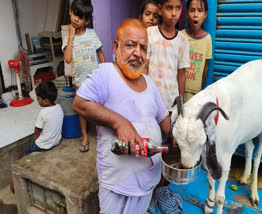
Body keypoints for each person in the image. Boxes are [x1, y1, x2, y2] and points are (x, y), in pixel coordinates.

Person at [73, 19, 171, 214]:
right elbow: (80, 103)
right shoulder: (106, 73)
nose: (137, 53)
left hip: (147, 182)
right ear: (116, 47)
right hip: (118, 186)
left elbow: (165, 122)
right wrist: (119, 122)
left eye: (143, 48)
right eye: (131, 45)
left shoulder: (150, 84)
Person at [63, 0, 106, 152]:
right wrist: (70, 38)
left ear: (86, 20)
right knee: (81, 110)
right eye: (75, 14)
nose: (76, 19)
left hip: (95, 79)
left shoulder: (91, 34)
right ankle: (85, 136)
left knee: (98, 107)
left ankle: (101, 135)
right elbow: (67, 58)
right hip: (80, 81)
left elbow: (100, 52)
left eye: (80, 17)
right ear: (70, 12)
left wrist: (105, 71)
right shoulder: (69, 37)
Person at [145, 0, 190, 110]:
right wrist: (144, 95)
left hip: (172, 104)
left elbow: (181, 74)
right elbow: (144, 68)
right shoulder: (149, 33)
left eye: (178, 8)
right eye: (169, 8)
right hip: (151, 100)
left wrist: (180, 102)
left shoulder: (183, 41)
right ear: (160, 10)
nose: (174, 13)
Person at [182, 0, 212, 102]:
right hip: (178, 91)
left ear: (205, 15)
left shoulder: (207, 39)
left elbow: (205, 67)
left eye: (200, 11)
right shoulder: (181, 36)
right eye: (192, 10)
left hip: (195, 94)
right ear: (186, 14)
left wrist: (200, 90)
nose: (195, 15)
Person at [25, 82, 63, 155]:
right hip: (56, 142)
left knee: (29, 150)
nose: (37, 100)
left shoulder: (43, 113)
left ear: (46, 101)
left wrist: (38, 140)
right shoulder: (59, 108)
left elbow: (37, 130)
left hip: (42, 146)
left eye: (38, 99)